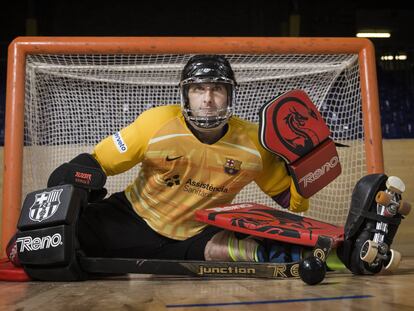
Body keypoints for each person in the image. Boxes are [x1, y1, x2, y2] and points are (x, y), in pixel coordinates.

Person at [48, 54, 308, 263]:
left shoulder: (255, 143)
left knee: (231, 251)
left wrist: (304, 166)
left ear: (230, 94)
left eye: (217, 89)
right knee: (58, 239)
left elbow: (292, 202)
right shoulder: (157, 122)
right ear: (186, 94)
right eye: (198, 89)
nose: (207, 99)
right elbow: (98, 162)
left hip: (196, 234)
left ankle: (309, 256)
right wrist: (75, 183)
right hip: (133, 219)